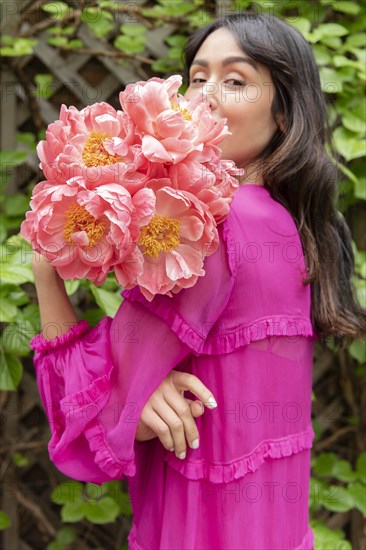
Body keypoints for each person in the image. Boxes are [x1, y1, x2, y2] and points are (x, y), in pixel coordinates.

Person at [30, 12, 365, 550]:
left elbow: (96, 417)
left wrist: (47, 271)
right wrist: (137, 388)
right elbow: (133, 392)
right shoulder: (290, 226)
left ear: (284, 115)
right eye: (198, 77)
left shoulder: (213, 227)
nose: (205, 96)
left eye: (235, 80)